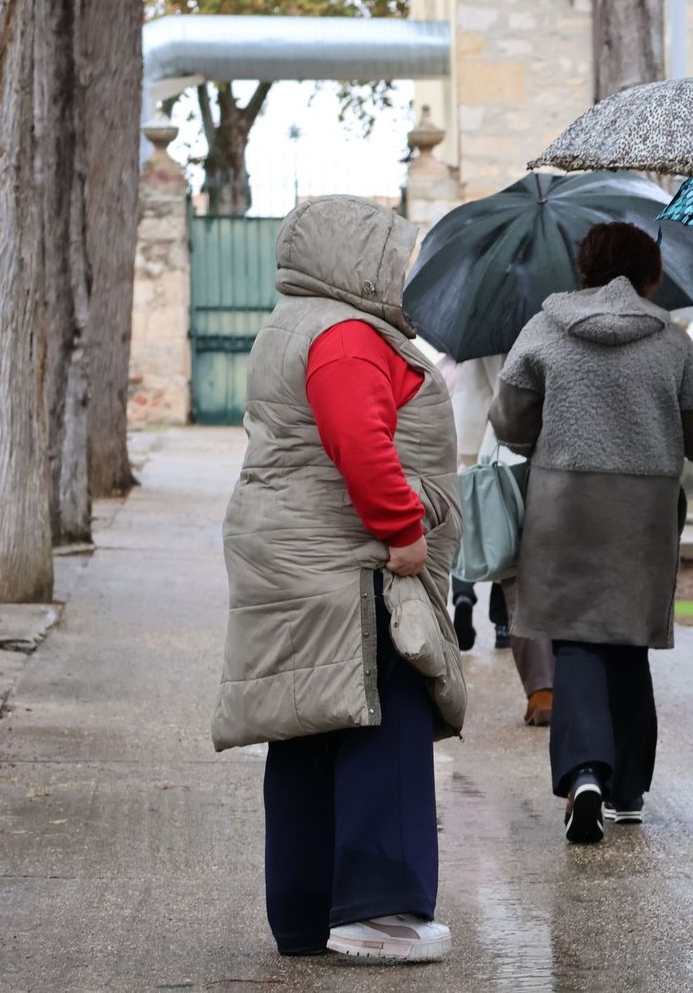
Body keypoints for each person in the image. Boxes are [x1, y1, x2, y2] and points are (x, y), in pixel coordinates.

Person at [213, 195, 466, 963]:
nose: (408, 272)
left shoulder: (295, 324)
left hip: (300, 558)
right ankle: (378, 913)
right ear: (361, 260)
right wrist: (402, 528)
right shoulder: (347, 335)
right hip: (349, 564)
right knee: (382, 713)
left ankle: (305, 915)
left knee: (309, 723)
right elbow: (358, 438)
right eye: (398, 256)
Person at [490, 222, 693, 844]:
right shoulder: (672, 342)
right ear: (650, 275)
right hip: (644, 514)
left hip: (563, 508)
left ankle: (583, 774)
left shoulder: (543, 329)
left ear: (584, 268)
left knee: (576, 640)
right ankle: (627, 786)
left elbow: (512, 427)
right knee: (627, 643)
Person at [440, 354, 556, 727]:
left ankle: (542, 689)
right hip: (564, 459)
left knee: (517, 568)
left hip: (507, 457)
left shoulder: (487, 330)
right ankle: (575, 680)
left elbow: (476, 400)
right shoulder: (545, 330)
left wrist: (471, 454)